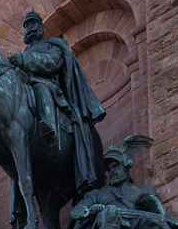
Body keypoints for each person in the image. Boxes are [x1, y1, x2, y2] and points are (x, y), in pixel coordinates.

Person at [8, 11, 107, 194]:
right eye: (27, 26)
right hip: (26, 93)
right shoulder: (22, 55)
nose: (30, 28)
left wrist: (24, 60)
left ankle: (49, 126)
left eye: (33, 24)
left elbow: (51, 62)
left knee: (40, 89)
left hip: (51, 90)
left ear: (41, 27)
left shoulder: (53, 45)